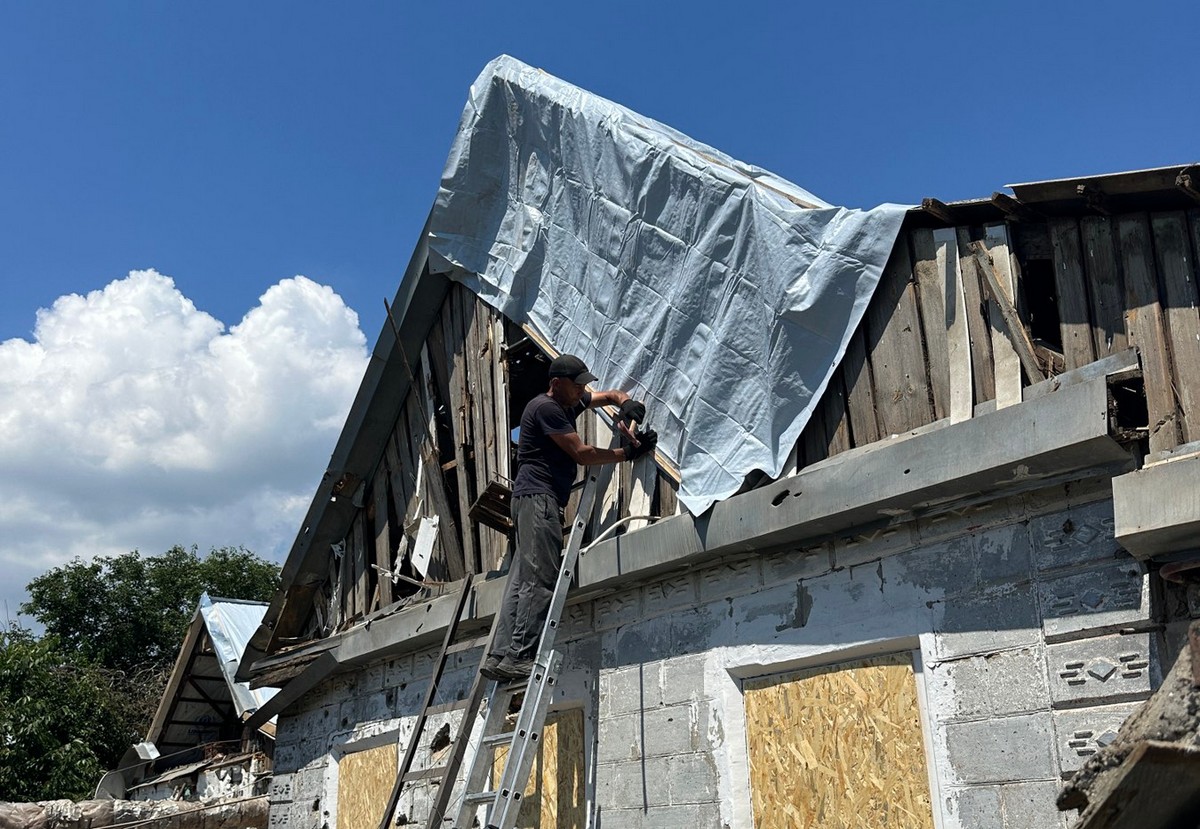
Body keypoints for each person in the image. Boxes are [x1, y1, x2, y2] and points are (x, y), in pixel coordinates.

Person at [481, 354, 657, 680]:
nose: (581, 392)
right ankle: (519, 656)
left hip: (528, 501)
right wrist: (627, 453)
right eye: (576, 386)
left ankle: (498, 657)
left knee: (520, 581)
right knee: (540, 581)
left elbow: (606, 396)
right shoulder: (546, 408)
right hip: (540, 502)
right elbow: (582, 454)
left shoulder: (566, 403)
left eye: (583, 386)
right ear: (557, 384)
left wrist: (626, 402)